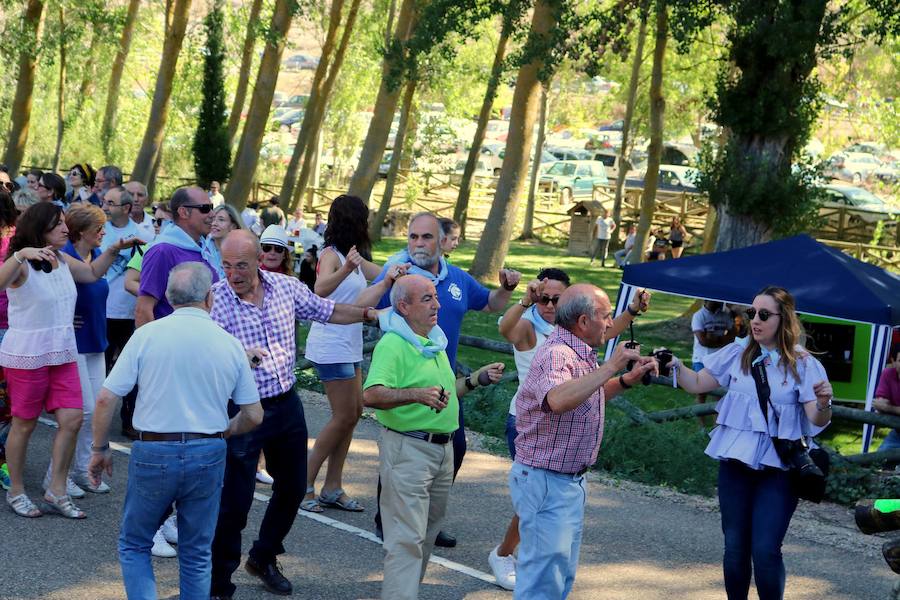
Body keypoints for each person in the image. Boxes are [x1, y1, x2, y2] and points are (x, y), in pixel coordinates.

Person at [208, 229, 379, 599]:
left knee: (292, 487)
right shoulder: (216, 299)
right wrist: (238, 355)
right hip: (241, 409)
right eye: (226, 265)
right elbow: (203, 354)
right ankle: (218, 583)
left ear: (258, 261)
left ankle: (263, 556)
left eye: (241, 265)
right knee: (233, 504)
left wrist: (369, 313)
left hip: (285, 404)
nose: (233, 273)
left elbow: (329, 311)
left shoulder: (285, 288)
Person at [88, 262, 263, 600]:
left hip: (154, 448)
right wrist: (225, 431)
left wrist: (99, 448)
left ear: (168, 297)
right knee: (197, 552)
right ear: (210, 297)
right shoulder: (230, 345)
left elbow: (107, 397)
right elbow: (254, 415)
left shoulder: (147, 336)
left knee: (135, 542)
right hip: (208, 449)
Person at [671, 286, 833, 600]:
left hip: (780, 469)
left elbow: (817, 419)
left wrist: (824, 401)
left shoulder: (803, 364)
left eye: (764, 315)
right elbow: (698, 383)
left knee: (766, 551)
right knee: (734, 548)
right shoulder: (738, 353)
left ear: (783, 319)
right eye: (751, 313)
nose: (755, 321)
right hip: (735, 465)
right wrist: (675, 365)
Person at [372, 211, 522, 547]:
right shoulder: (400, 278)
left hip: (445, 382)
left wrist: (507, 288)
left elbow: (490, 305)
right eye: (413, 237)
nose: (418, 244)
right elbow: (368, 306)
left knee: (454, 446)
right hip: (406, 379)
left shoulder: (457, 278)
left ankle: (428, 516)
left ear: (443, 241)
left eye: (426, 237)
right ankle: (387, 517)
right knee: (401, 446)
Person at [363, 274, 504, 600]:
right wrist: (415, 395)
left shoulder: (432, 341)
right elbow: (370, 395)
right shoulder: (394, 344)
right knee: (406, 539)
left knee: (427, 533)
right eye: (427, 299)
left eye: (435, 297)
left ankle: (405, 591)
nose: (437, 304)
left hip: (442, 449)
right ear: (403, 306)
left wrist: (476, 380)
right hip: (408, 449)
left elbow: (444, 393)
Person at [511, 284, 657, 599]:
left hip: (565, 481)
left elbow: (586, 395)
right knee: (542, 581)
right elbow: (558, 399)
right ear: (582, 322)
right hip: (547, 481)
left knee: (558, 577)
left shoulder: (579, 350)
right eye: (605, 317)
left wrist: (625, 381)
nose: (609, 324)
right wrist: (611, 367)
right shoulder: (557, 354)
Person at [0, 203, 137, 519]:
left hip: (62, 352)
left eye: (64, 223)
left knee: (74, 418)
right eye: (58, 224)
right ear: (40, 228)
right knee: (24, 423)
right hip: (27, 354)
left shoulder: (62, 259)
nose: (66, 228)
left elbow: (91, 273)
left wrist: (114, 248)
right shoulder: (21, 262)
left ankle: (56, 489)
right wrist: (22, 255)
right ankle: (17, 491)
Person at [302, 195, 404, 514]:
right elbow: (320, 290)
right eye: (365, 219)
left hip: (349, 344)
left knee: (354, 413)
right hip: (330, 345)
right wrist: (347, 268)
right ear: (355, 221)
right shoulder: (332, 256)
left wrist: (409, 267)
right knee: (343, 415)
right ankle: (302, 485)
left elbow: (385, 273)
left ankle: (333, 487)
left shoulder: (355, 256)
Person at [491, 267, 571, 590]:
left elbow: (606, 333)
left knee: (547, 498)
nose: (550, 305)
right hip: (526, 424)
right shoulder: (529, 328)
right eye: (544, 298)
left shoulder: (570, 330)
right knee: (534, 498)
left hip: (559, 426)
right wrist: (525, 300)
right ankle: (503, 554)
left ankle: (532, 557)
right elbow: (504, 328)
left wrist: (633, 311)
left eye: (557, 299)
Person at [47, 205, 112, 495]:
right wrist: (61, 317)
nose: (103, 233)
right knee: (81, 412)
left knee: (97, 412)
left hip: (97, 342)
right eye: (99, 228)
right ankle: (55, 476)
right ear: (83, 230)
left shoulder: (97, 255)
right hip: (74, 344)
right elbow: (46, 293)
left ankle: (84, 470)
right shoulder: (66, 257)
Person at [135, 186, 218, 326]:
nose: (212, 214)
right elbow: (143, 310)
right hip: (174, 343)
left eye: (212, 207)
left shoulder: (204, 247)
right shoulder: (162, 251)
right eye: (205, 208)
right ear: (183, 212)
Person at [101, 186, 145, 439]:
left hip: (128, 314)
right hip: (102, 311)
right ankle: (96, 420)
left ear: (126, 208)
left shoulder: (140, 235)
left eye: (111, 203)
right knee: (100, 369)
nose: (105, 206)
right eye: (105, 201)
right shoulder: (100, 231)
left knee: (131, 371)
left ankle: (129, 419)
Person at [692, 300, 736, 421]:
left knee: (719, 394)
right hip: (701, 360)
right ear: (707, 300)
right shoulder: (698, 315)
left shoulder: (725, 315)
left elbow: (733, 336)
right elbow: (703, 341)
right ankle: (701, 428)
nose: (720, 300)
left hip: (720, 362)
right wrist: (722, 339)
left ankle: (717, 426)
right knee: (701, 393)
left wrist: (713, 338)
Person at [203, 204, 247, 278]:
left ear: (233, 226)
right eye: (213, 219)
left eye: (221, 220)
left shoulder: (244, 252)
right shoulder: (202, 249)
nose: (214, 224)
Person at [874, 343, 900, 452]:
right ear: (893, 361)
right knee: (880, 458)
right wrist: (882, 406)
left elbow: (885, 407)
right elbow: (880, 403)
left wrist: (889, 408)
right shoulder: (888, 374)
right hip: (898, 433)